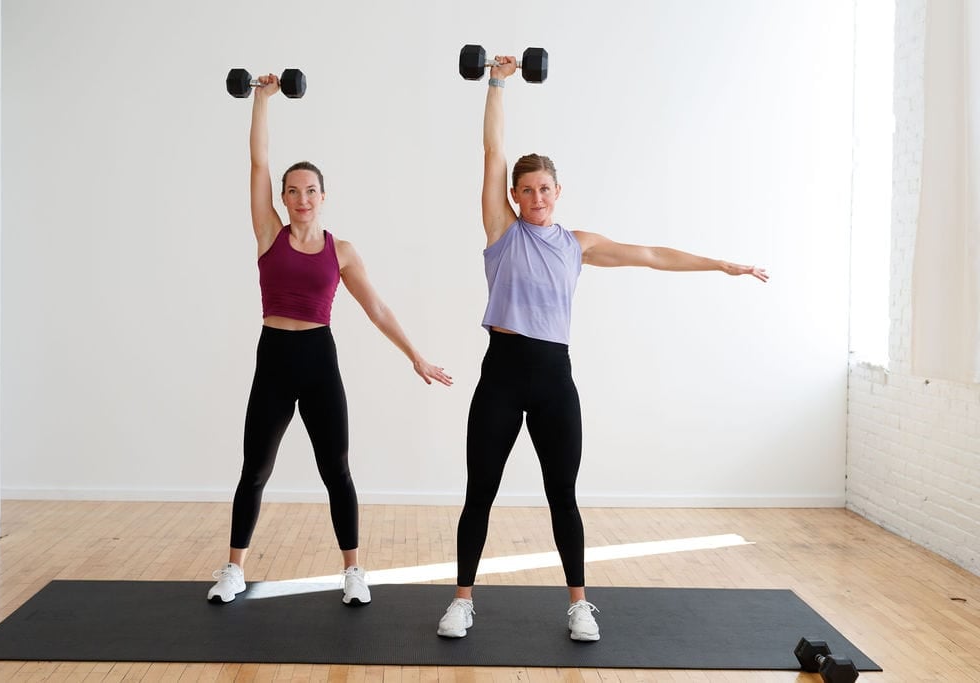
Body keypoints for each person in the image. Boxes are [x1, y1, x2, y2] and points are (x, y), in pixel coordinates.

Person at [435, 56, 769, 642]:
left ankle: (579, 605)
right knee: (479, 492)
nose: (536, 196)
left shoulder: (577, 244)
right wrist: (496, 84)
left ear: (558, 192)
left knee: (563, 495)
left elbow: (651, 254)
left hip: (554, 378)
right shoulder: (501, 231)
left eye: (545, 188)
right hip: (503, 372)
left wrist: (720, 265)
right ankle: (462, 600)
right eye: (526, 189)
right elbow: (491, 153)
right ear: (513, 195)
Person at [208, 73, 453, 606]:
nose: (301, 197)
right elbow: (257, 161)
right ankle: (233, 569)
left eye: (310, 190)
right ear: (282, 197)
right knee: (255, 467)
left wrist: (416, 356)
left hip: (318, 358)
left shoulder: (340, 251)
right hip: (274, 355)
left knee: (336, 469)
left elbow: (377, 307)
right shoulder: (268, 235)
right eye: (292, 190)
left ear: (323, 196)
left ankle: (353, 571)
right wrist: (261, 100)